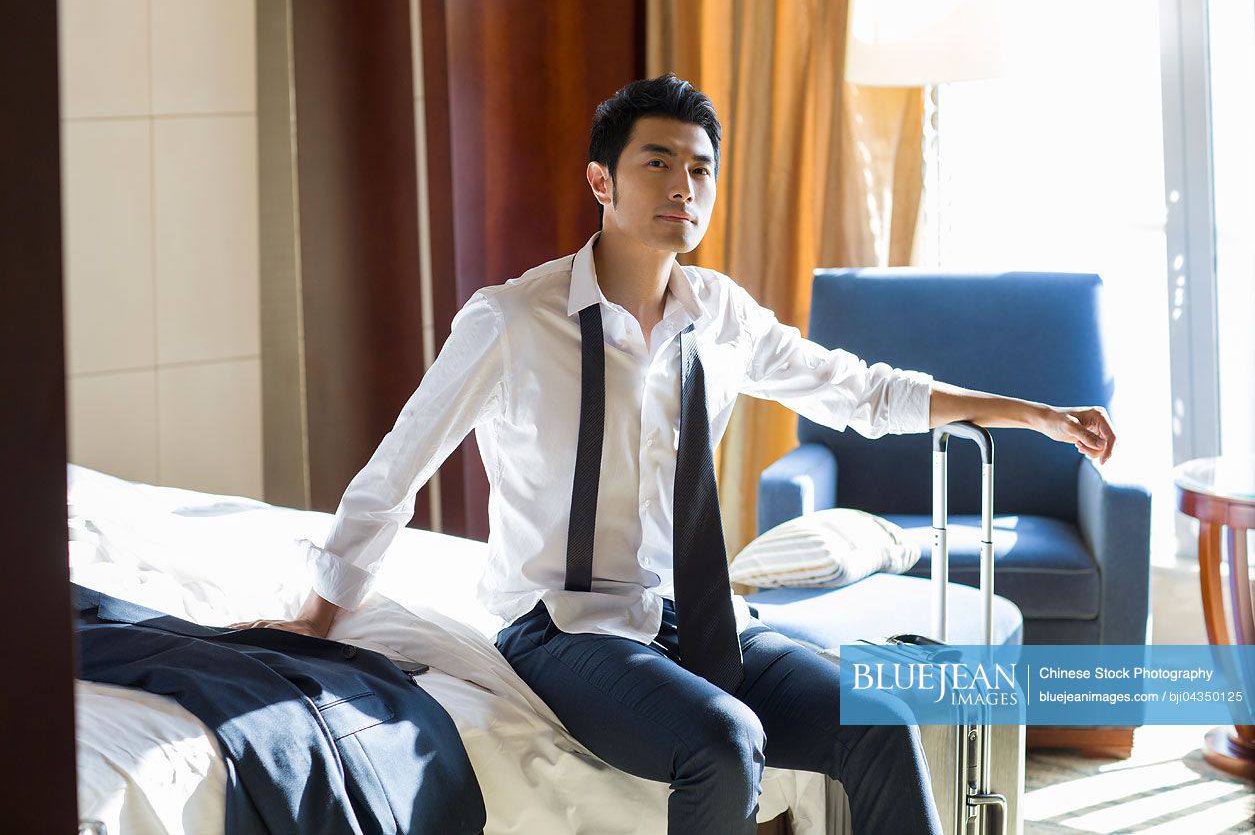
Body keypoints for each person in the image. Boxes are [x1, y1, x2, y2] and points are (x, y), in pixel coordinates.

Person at [236, 74, 1115, 833]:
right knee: (723, 741)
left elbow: (862, 391)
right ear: (600, 180)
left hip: (690, 618)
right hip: (556, 624)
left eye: (699, 169)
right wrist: (320, 612)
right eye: (656, 161)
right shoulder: (511, 319)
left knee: (877, 718)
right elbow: (398, 469)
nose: (681, 185)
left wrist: (1030, 414)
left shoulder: (721, 313)